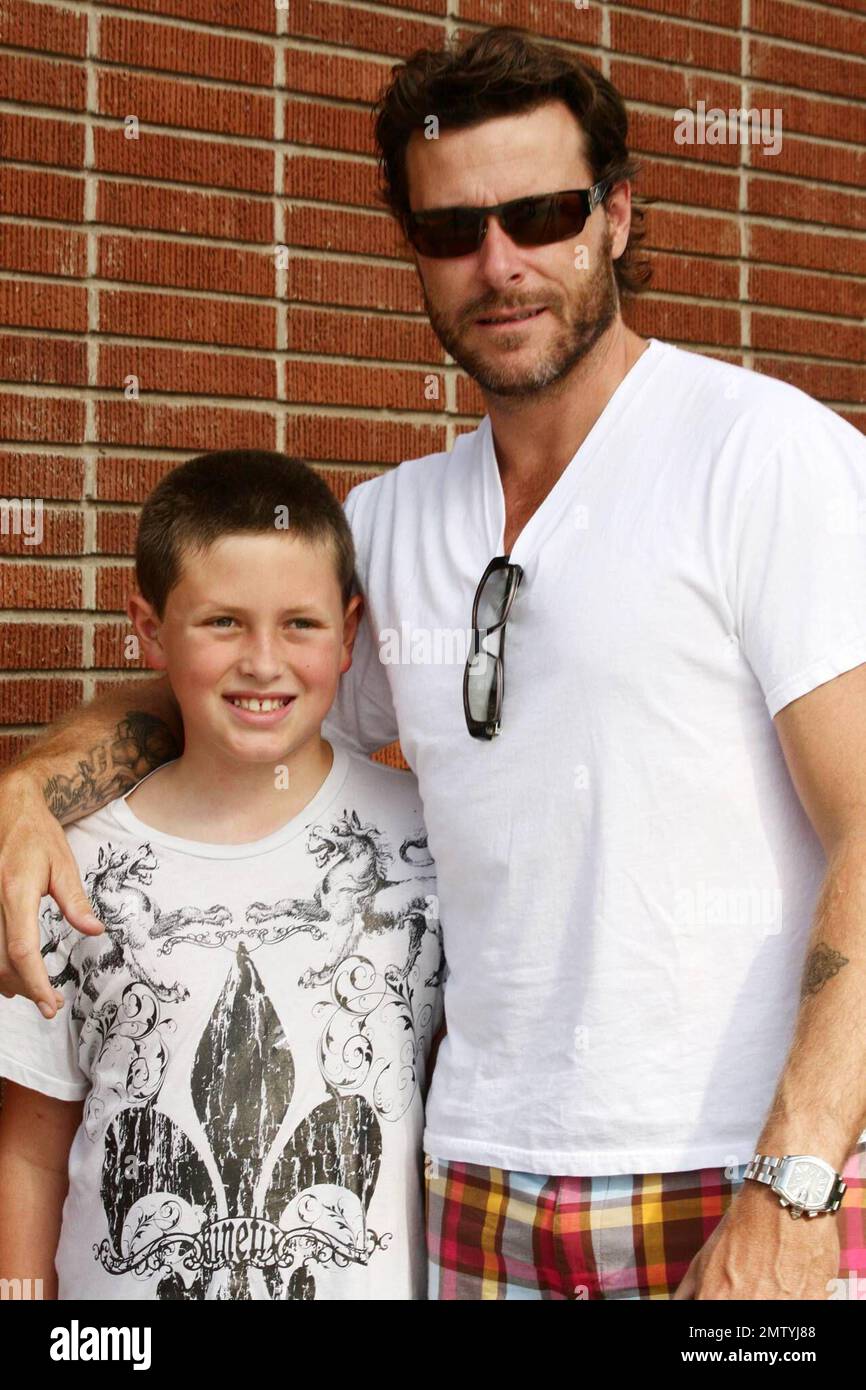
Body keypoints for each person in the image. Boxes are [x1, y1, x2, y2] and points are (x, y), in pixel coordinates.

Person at [1, 26, 866, 1300]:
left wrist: (792, 1181)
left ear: (615, 217)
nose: (498, 263)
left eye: (541, 213)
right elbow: (229, 697)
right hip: (475, 1190)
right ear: (411, 249)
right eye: (452, 229)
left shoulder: (762, 459)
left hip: (730, 1175)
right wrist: (32, 786)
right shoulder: (393, 523)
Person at [0, 450, 443, 1301]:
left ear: (350, 633)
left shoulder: (424, 840)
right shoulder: (70, 861)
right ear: (149, 628)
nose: (263, 662)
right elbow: (30, 1149)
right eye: (223, 623)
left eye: (300, 624)